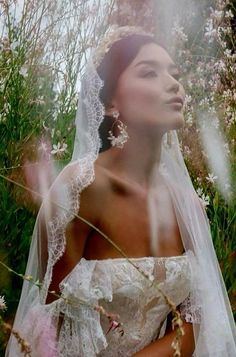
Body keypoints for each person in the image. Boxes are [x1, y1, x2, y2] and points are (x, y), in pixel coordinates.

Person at [6, 26, 236, 357]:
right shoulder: (80, 190)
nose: (173, 83)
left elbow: (194, 321)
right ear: (112, 102)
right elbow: (47, 331)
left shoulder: (187, 205)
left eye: (174, 74)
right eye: (149, 73)